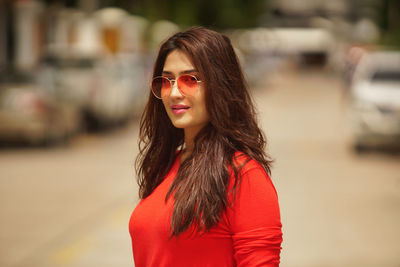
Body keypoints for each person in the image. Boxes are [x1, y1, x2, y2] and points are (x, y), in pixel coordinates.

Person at [129, 26, 282, 267]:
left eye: (190, 80)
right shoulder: (167, 164)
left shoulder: (243, 176)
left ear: (221, 85)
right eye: (167, 81)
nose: (175, 93)